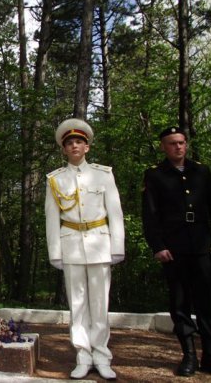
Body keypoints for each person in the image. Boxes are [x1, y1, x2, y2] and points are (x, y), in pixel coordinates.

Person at [45, 118, 125, 380]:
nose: (74, 146)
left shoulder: (103, 174)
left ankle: (102, 356)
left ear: (87, 147)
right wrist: (54, 251)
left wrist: (117, 246)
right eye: (69, 143)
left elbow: (115, 212)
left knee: (100, 304)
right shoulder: (55, 179)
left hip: (100, 242)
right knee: (77, 305)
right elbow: (51, 217)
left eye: (79, 141)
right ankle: (82, 355)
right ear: (64, 149)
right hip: (71, 246)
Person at [142, 127, 211, 376]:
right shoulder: (155, 175)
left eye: (182, 142)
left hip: (203, 245)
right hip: (173, 249)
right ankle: (189, 356)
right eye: (173, 143)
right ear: (164, 146)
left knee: (207, 302)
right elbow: (150, 215)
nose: (178, 147)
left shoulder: (202, 171)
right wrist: (158, 246)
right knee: (180, 302)